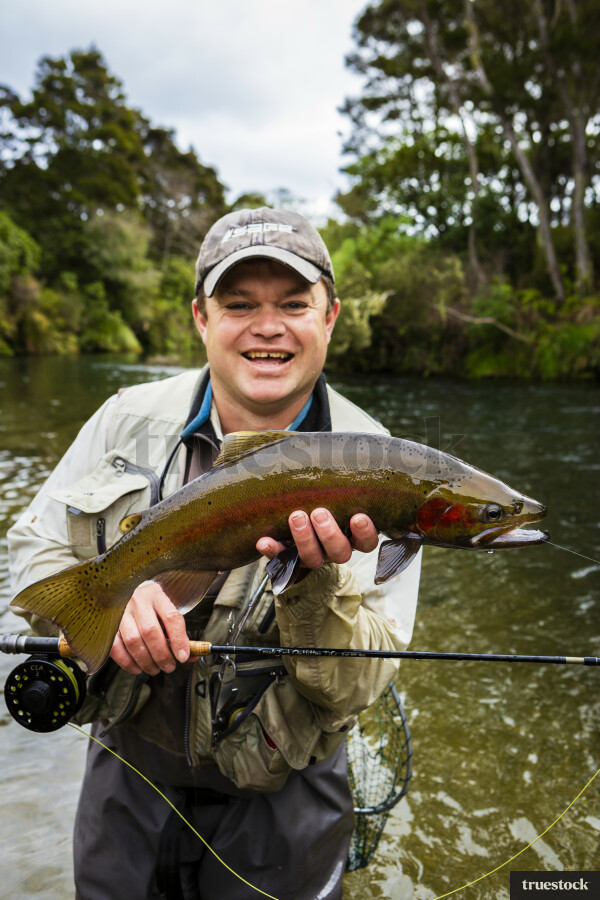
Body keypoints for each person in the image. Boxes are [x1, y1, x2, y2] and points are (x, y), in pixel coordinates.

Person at [8, 207, 421, 900]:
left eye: (294, 303)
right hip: (128, 773)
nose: (268, 325)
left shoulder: (386, 466)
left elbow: (362, 685)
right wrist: (116, 599)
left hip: (285, 793)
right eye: (239, 304)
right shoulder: (123, 417)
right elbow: (32, 545)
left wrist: (312, 589)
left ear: (331, 318)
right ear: (201, 319)